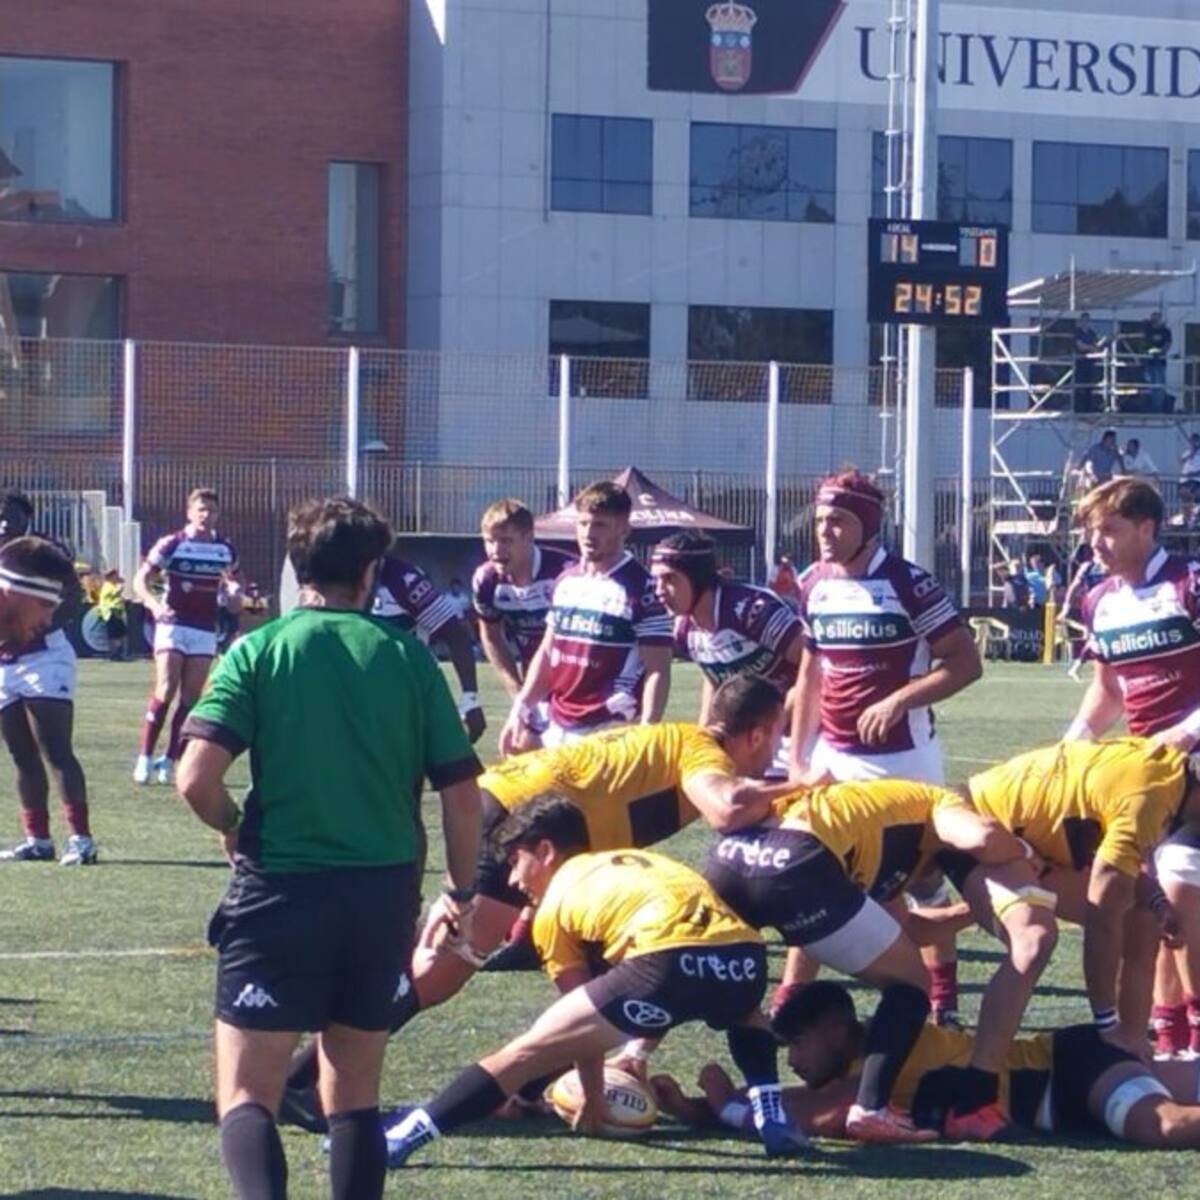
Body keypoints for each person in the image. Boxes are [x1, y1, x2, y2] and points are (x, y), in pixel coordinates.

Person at [176, 495, 483, 1200]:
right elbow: (461, 794)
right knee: (352, 1099)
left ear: (296, 566)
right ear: (372, 571)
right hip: (380, 897)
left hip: (280, 891)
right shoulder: (407, 656)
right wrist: (462, 893)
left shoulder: (257, 649)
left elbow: (195, 780)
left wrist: (231, 823)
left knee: (246, 1094)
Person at [384, 797, 809, 1167]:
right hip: (746, 960)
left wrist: (594, 1101)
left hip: (665, 963)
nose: (513, 880)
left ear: (545, 851)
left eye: (515, 862)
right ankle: (771, 1114)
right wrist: (638, 1051)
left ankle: (400, 1138)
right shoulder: (635, 862)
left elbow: (584, 1025)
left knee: (522, 1053)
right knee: (745, 1015)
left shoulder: (554, 905)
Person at [703, 775, 1021, 1142]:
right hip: (798, 861)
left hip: (730, 858)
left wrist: (972, 911)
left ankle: (632, 1057)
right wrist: (1027, 857)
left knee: (710, 972)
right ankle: (871, 1108)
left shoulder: (875, 828)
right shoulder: (939, 803)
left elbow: (899, 934)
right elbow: (981, 836)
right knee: (911, 984)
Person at [785, 468, 981, 1023]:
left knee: (923, 879)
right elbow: (810, 677)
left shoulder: (908, 583)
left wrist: (900, 700)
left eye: (838, 520)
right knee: (815, 875)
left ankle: (943, 1001)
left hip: (902, 761)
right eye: (820, 520)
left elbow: (966, 663)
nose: (825, 531)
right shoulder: (814, 582)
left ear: (867, 525)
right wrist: (800, 757)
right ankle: (790, 1003)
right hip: (833, 760)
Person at [933, 737, 1199, 1139]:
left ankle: (1131, 1042)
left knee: (1143, 918)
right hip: (977, 825)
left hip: (1033, 844)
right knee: (1035, 939)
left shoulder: (1167, 776)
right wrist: (1102, 1020)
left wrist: (1156, 898)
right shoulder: (1149, 800)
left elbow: (1105, 866)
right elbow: (1102, 914)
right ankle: (976, 1097)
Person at [653, 980, 1200, 1151]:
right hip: (1069, 1061)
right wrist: (706, 1109)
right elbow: (802, 1104)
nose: (792, 1061)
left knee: (1166, 1127)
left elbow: (821, 1112)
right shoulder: (870, 1059)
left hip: (1070, 1073)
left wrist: (722, 1108)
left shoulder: (877, 1064)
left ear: (839, 1028)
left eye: (797, 1043)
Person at [498, 481, 672, 754]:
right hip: (558, 726)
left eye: (600, 525)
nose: (588, 533)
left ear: (624, 529)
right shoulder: (566, 580)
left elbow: (658, 670)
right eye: (582, 523)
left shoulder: (643, 589)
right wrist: (520, 709)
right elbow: (547, 652)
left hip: (611, 727)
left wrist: (648, 730)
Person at [0, 492, 94, 866]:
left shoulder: (44, 555)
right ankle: (38, 839)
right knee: (20, 753)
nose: (5, 523)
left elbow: (72, 598)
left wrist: (37, 623)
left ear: (27, 518)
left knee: (55, 749)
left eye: (12, 516)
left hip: (45, 656)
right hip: (5, 661)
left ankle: (81, 838)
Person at [132, 488, 240, 786]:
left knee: (191, 697)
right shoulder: (173, 544)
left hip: (204, 628)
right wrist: (155, 605)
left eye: (212, 511)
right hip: (174, 623)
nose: (206, 516)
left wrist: (234, 595)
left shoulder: (225, 549)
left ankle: (168, 758)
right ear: (189, 512)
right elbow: (140, 580)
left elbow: (232, 597)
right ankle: (144, 757)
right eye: (201, 510)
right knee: (166, 688)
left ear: (218, 514)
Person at [649, 530, 802, 727]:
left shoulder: (752, 610)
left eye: (669, 579)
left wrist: (780, 723)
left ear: (697, 576)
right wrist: (704, 733)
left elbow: (815, 664)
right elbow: (713, 678)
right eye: (656, 580)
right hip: (756, 735)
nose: (659, 590)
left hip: (800, 729)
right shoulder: (684, 629)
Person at [471, 499, 575, 746]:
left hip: (576, 678)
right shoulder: (486, 581)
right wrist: (518, 693)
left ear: (528, 538)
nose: (496, 550)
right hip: (532, 676)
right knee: (522, 749)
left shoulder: (565, 573)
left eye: (506, 541)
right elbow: (491, 637)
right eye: (489, 541)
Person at [372, 548, 486, 744]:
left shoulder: (402, 578)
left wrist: (470, 698)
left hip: (408, 687)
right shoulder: (328, 578)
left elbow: (455, 634)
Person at [1142, 310, 1173, 412]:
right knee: (1148, 385)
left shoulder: (1165, 331)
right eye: (1153, 319)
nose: (1154, 321)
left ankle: (1158, 408)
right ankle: (1149, 407)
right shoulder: (1148, 331)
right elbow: (1144, 344)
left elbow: (1167, 346)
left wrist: (1159, 352)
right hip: (1148, 362)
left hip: (1159, 363)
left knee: (1159, 385)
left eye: (1156, 319)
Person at [1073, 312, 1103, 412]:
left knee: (1089, 387)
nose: (1085, 323)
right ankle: (1078, 409)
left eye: (1087, 321)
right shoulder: (1077, 332)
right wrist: (1091, 347)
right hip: (1080, 362)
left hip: (1090, 363)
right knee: (1079, 387)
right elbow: (1080, 346)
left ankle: (1088, 409)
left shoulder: (1092, 333)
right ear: (1080, 321)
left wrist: (1093, 348)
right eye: (1084, 320)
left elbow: (1097, 347)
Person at [95, 569, 128, 661]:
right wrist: (120, 586)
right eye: (115, 575)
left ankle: (120, 652)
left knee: (121, 633)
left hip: (117, 613)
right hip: (111, 613)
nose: (117, 577)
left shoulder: (112, 585)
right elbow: (114, 593)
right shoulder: (107, 586)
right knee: (114, 634)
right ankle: (114, 653)